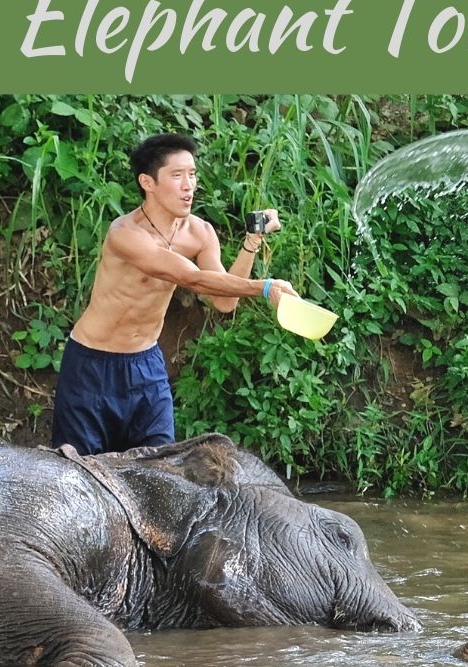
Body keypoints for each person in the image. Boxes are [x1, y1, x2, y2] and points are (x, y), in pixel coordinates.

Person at [51, 132, 297, 456]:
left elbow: (224, 300)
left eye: (192, 174)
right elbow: (191, 278)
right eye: (177, 175)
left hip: (147, 365)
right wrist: (265, 288)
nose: (189, 185)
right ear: (147, 182)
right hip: (93, 365)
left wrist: (252, 241)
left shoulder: (200, 233)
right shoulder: (125, 233)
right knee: (83, 472)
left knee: (160, 470)